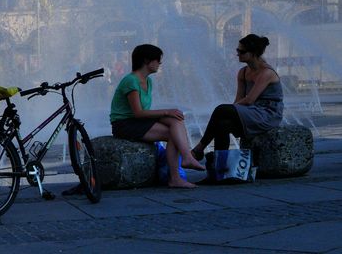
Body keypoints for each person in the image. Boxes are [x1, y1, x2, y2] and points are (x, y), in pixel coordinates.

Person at [109, 44, 205, 188]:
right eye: (157, 60)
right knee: (173, 130)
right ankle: (179, 171)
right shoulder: (131, 81)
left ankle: (184, 162)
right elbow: (138, 112)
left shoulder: (148, 81)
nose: (160, 63)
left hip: (137, 121)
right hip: (125, 124)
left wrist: (169, 113)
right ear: (147, 61)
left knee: (175, 120)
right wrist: (166, 111)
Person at [192, 34, 283, 159]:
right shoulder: (243, 72)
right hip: (252, 111)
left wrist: (229, 109)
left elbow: (249, 100)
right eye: (237, 50)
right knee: (222, 125)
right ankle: (221, 168)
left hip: (267, 114)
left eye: (242, 51)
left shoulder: (266, 73)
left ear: (253, 53)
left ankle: (200, 148)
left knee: (222, 109)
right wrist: (230, 111)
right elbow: (239, 100)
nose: (237, 54)